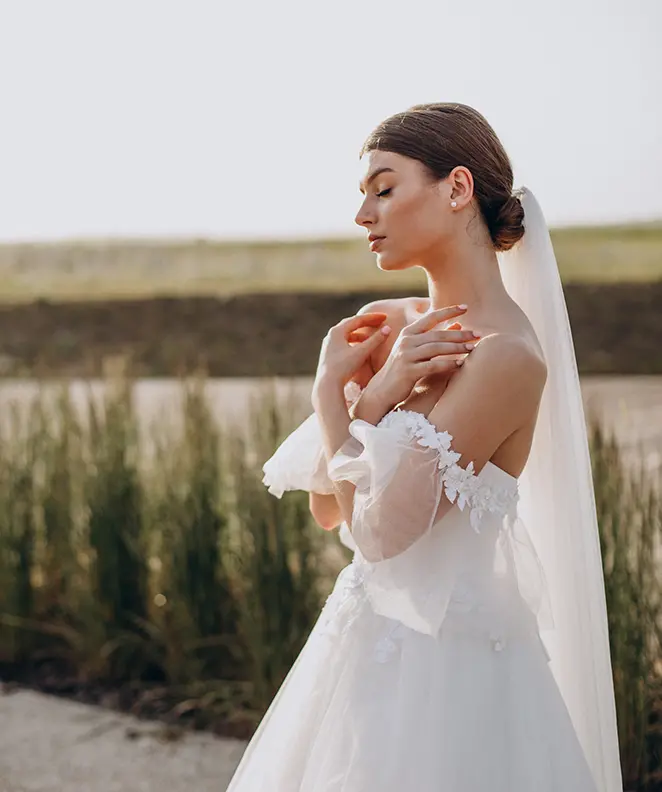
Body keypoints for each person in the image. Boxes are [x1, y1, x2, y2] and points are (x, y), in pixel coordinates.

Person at [227, 103, 623, 791]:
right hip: (362, 651)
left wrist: (340, 397)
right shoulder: (396, 325)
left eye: (383, 189)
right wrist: (374, 395)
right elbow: (330, 507)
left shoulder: (506, 358)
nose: (363, 216)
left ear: (458, 189)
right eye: (363, 197)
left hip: (451, 677)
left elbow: (379, 534)